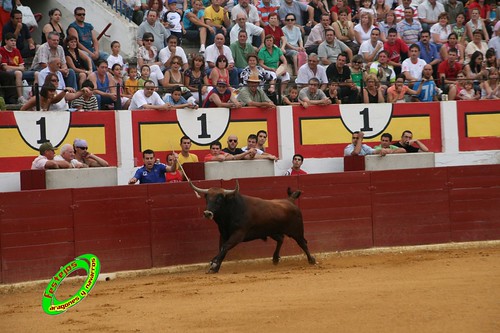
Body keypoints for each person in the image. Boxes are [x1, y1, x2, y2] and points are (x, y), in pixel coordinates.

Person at [0, 32, 27, 104]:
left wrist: (13, 68)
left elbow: (23, 67)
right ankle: (20, 97)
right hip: (8, 73)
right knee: (18, 73)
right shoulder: (2, 50)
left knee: (36, 73)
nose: (13, 42)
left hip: (15, 71)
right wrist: (18, 68)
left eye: (14, 41)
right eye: (11, 40)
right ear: (6, 41)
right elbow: (5, 67)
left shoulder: (16, 51)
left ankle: (35, 96)